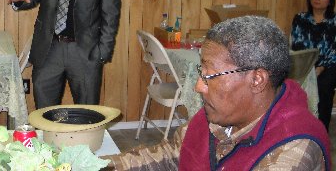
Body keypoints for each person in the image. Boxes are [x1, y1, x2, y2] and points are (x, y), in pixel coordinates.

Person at [106, 16, 331, 170]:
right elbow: (170, 155)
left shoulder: (293, 147)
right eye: (200, 72)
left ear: (257, 80)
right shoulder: (222, 115)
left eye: (210, 76)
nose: (198, 86)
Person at [291, 0, 336, 130]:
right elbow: (297, 45)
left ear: (330, 1)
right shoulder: (300, 18)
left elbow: (333, 49)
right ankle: (299, 126)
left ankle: (320, 129)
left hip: (328, 65)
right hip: (305, 62)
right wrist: (308, 66)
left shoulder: (334, 21)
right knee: (293, 84)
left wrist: (321, 67)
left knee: (324, 85)